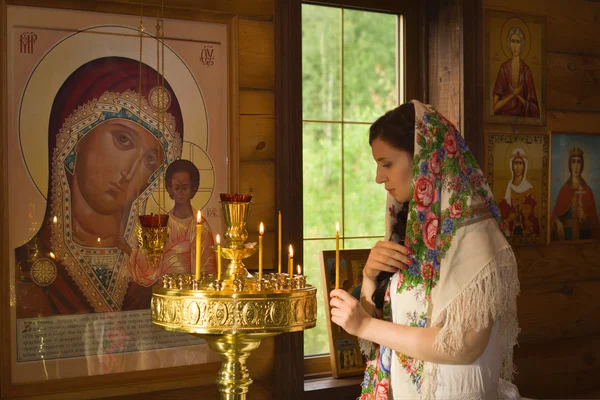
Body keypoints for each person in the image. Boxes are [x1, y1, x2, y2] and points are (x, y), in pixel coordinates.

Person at [329, 101, 520, 399]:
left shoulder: (476, 237)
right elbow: (392, 328)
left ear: (423, 158)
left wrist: (365, 324)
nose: (379, 178)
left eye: (386, 163)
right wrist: (368, 278)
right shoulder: (415, 233)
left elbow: (463, 345)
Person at [15, 56, 184, 317]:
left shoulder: (153, 274)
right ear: (75, 139)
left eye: (150, 159)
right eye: (123, 139)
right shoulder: (22, 269)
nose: (129, 172)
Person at [126, 159, 217, 289]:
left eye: (184, 188)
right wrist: (131, 249)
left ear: (193, 189)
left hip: (190, 293)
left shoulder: (201, 227)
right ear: (169, 189)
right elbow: (150, 268)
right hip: (165, 290)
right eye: (176, 188)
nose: (180, 193)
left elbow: (207, 271)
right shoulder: (161, 225)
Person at [551, 148, 600, 241]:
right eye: (573, 162)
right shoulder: (564, 190)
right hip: (566, 238)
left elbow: (595, 225)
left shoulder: (587, 191)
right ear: (570, 164)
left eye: (579, 162)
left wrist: (586, 219)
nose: (576, 166)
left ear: (582, 165)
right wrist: (557, 222)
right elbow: (555, 216)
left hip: (582, 240)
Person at [493, 26, 540, 118]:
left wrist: (518, 96)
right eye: (512, 41)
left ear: (522, 45)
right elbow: (495, 107)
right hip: (504, 119)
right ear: (508, 44)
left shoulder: (526, 71)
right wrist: (513, 95)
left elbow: (534, 109)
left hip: (523, 121)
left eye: (518, 42)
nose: (515, 46)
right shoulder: (504, 69)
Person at [498, 147, 540, 237]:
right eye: (515, 163)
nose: (517, 167)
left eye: (520, 163)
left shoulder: (530, 190)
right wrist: (508, 219)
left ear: (524, 166)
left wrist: (528, 222)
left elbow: (535, 218)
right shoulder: (505, 189)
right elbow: (499, 215)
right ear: (511, 166)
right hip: (509, 235)